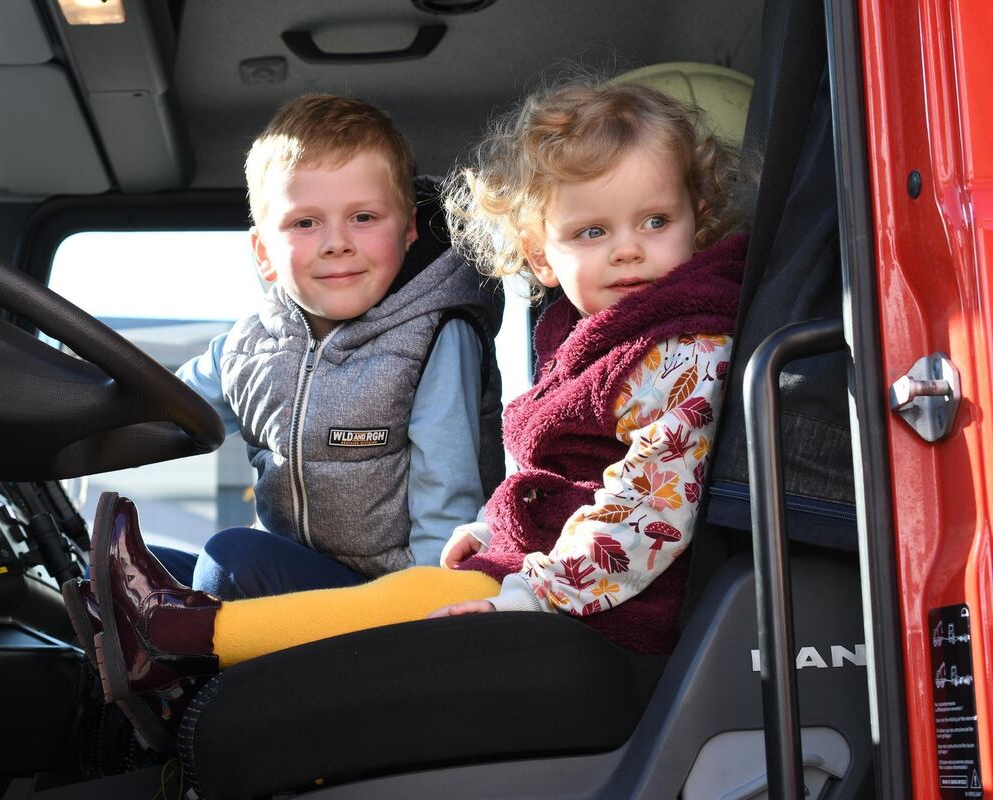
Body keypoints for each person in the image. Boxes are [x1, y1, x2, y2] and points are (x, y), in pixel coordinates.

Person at [68, 75, 752, 749]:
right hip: (544, 579)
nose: (628, 248)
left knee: (368, 583)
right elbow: (558, 485)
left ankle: (175, 644)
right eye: (594, 230)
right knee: (209, 559)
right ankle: (180, 673)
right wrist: (492, 535)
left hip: (603, 610)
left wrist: (510, 592)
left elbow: (646, 510)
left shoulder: (681, 350)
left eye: (655, 221)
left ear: (699, 217)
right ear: (542, 256)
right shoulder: (596, 340)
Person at [146, 93, 505, 598]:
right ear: (263, 253)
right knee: (131, 575)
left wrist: (426, 613)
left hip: (391, 596)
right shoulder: (248, 347)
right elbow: (157, 410)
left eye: (363, 217)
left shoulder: (435, 335)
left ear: (407, 233)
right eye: (305, 223)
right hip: (296, 576)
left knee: (231, 561)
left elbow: (446, 495)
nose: (337, 242)